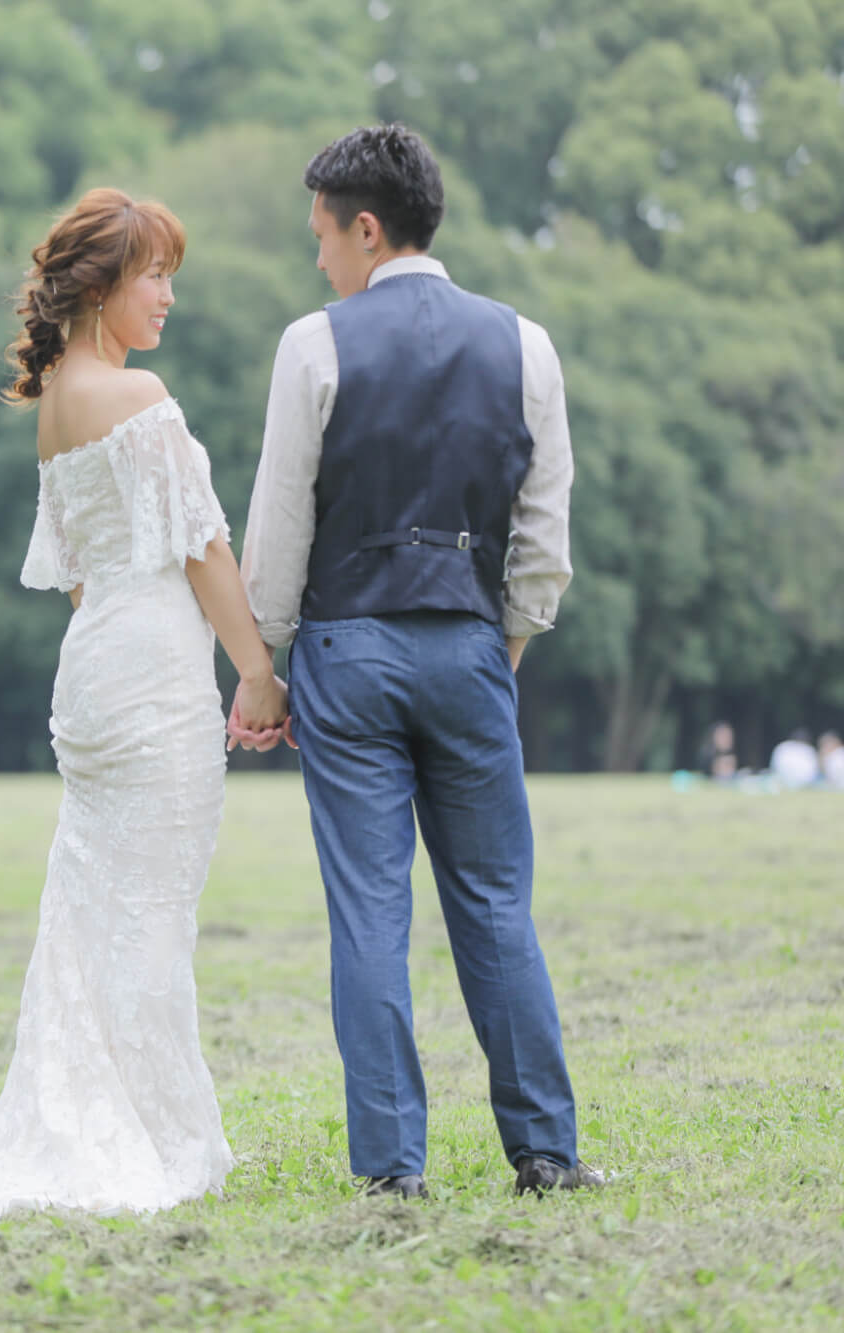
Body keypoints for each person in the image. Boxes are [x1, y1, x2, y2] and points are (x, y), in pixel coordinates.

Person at [234, 125, 600, 1199]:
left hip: (346, 649)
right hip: (469, 646)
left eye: (320, 238)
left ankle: (391, 1170)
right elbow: (544, 535)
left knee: (368, 913)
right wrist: (504, 641)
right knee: (494, 903)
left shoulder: (313, 343)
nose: (316, 261)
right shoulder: (525, 344)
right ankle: (543, 1152)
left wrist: (266, 660)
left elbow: (278, 525)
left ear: (364, 227)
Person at [0, 187, 290, 1218]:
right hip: (154, 669)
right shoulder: (139, 399)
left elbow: (81, 575)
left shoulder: (57, 409)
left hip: (90, 669)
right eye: (154, 275)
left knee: (90, 908)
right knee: (151, 913)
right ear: (99, 286)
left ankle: (90, 1111)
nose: (168, 297)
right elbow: (203, 546)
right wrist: (254, 668)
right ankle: (153, 1135)